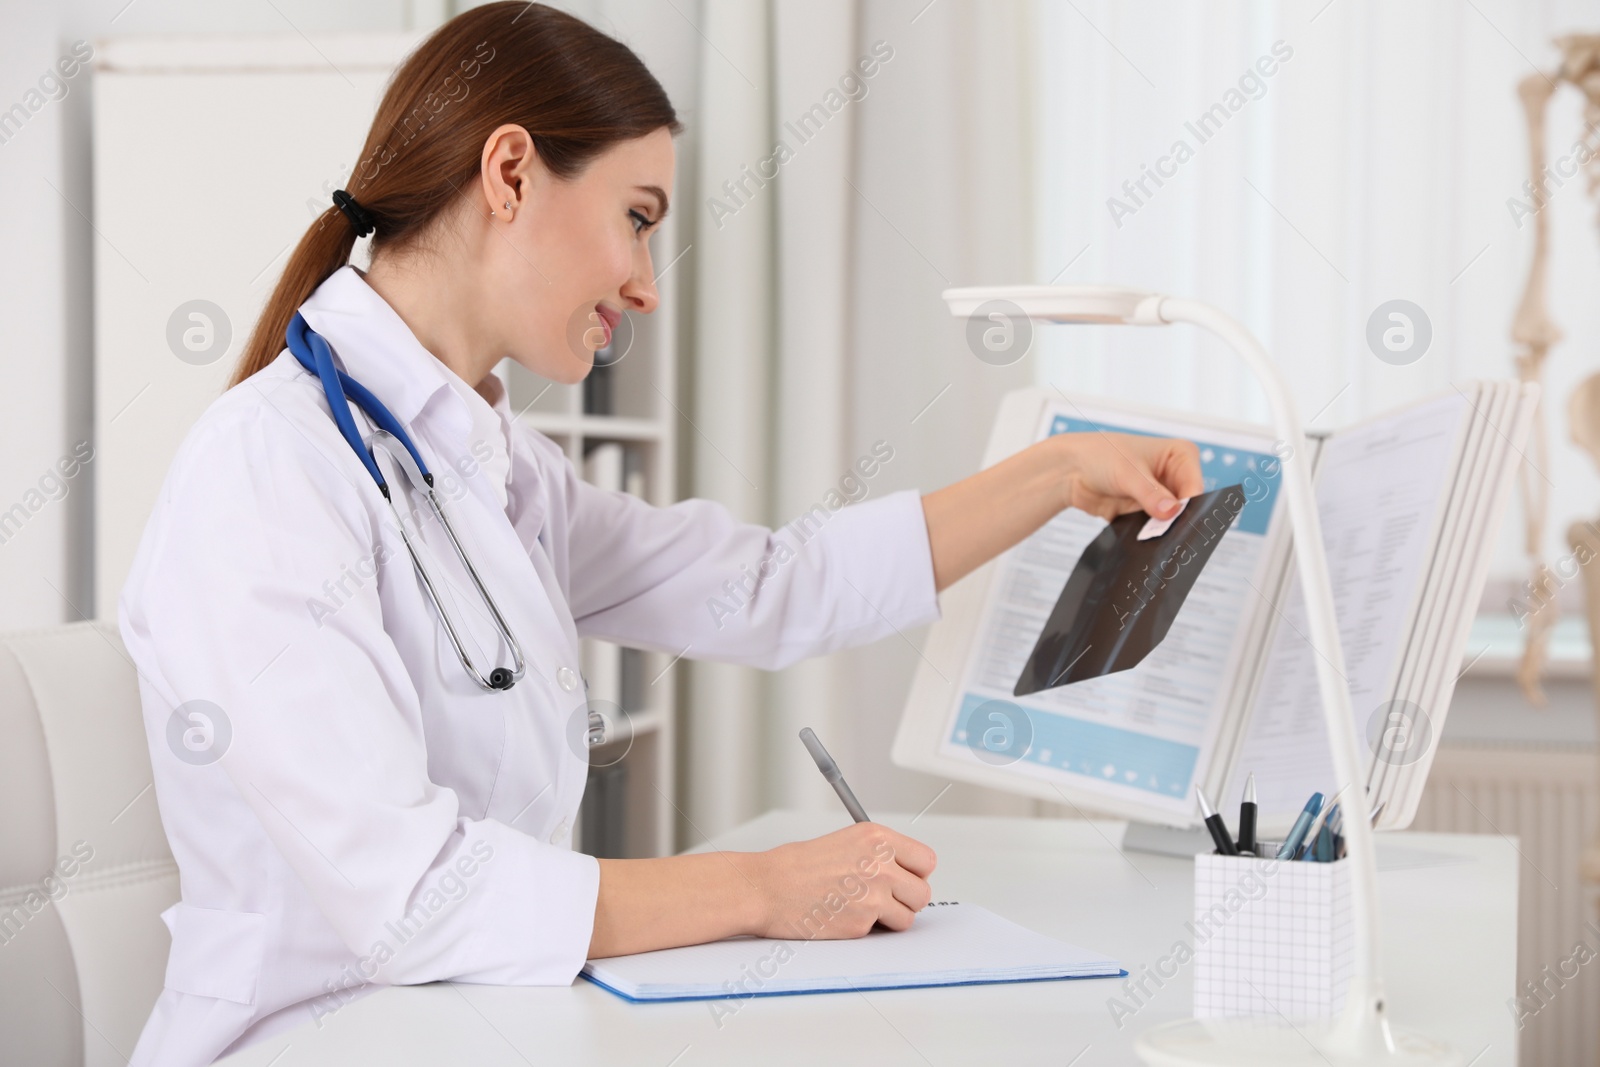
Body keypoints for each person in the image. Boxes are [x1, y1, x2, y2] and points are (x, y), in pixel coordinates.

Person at [120, 4, 1203, 1064]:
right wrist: (763, 887)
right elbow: (412, 897)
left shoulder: (495, 469)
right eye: (637, 217)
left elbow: (773, 586)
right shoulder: (269, 469)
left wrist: (1057, 472)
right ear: (509, 174)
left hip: (469, 1023)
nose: (644, 285)